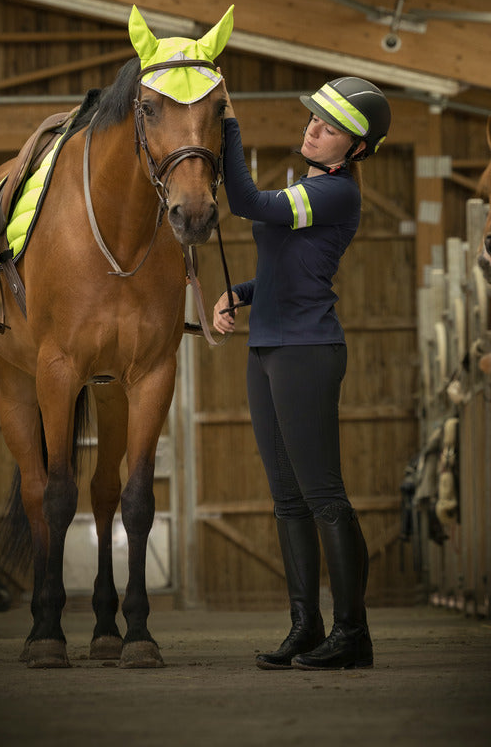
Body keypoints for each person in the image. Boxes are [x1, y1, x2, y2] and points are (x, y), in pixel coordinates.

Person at [212, 74, 391, 671]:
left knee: (323, 495)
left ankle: (352, 633)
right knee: (287, 499)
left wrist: (228, 126)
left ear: (355, 150)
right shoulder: (306, 188)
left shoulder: (336, 193)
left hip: (306, 350)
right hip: (267, 348)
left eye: (331, 127)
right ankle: (305, 626)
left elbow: (246, 203)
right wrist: (238, 293)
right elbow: (289, 275)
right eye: (315, 117)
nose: (314, 127)